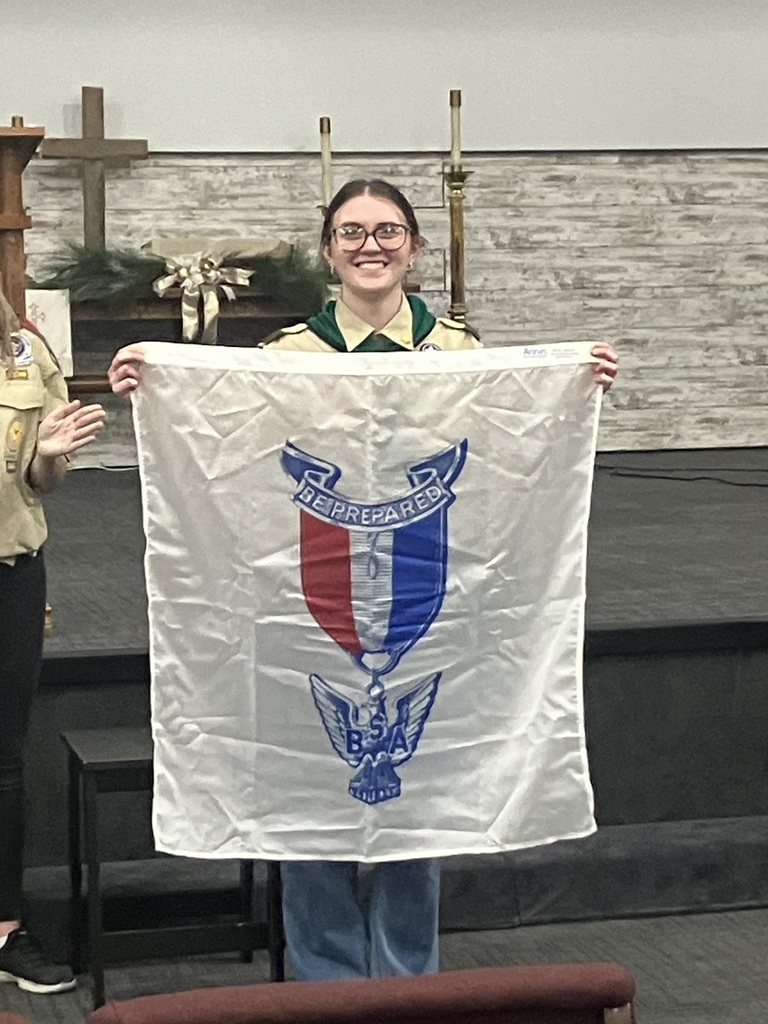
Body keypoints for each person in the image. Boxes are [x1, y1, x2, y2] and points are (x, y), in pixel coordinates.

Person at [108, 178, 618, 981]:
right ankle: (326, 990)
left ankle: (407, 984)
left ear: (413, 246)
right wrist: (154, 381)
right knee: (303, 800)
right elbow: (231, 458)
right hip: (307, 610)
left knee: (419, 807)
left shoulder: (461, 357)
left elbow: (506, 462)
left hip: (431, 598)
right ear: (327, 251)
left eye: (386, 231)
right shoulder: (287, 359)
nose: (368, 245)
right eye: (350, 232)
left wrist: (572, 384)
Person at [0, 285, 106, 993]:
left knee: (4, 753)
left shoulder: (24, 352)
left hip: (10, 571)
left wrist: (50, 454)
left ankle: (3, 926)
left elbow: (42, 477)